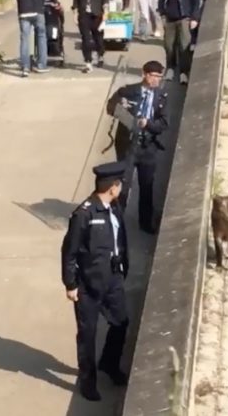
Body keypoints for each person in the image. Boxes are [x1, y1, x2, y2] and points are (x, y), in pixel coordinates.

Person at [61, 161, 131, 401]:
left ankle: (109, 364)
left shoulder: (114, 207)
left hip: (113, 278)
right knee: (87, 334)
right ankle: (88, 381)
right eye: (119, 185)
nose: (120, 189)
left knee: (121, 322)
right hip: (88, 285)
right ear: (112, 187)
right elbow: (69, 252)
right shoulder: (84, 214)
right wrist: (70, 284)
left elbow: (120, 239)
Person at [106, 61, 169, 234]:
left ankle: (146, 222)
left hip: (148, 146)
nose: (156, 80)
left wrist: (148, 124)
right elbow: (111, 107)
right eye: (154, 76)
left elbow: (163, 123)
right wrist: (124, 111)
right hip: (128, 144)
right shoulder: (128, 91)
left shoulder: (161, 96)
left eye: (159, 77)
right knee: (123, 184)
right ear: (145, 74)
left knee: (147, 185)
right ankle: (116, 222)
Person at [13, 0, 60, 77]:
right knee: (41, 36)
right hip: (38, 10)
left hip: (23, 12)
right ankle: (41, 65)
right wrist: (56, 1)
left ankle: (25, 67)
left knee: (24, 39)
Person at [158, 0, 204, 85]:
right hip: (170, 18)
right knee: (169, 45)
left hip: (184, 17)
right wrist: (162, 12)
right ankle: (171, 68)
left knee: (184, 46)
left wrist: (195, 17)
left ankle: (184, 72)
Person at [72, 0, 109, 73]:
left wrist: (106, 11)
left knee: (98, 37)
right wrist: (75, 13)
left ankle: (100, 54)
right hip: (84, 14)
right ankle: (88, 62)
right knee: (86, 39)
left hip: (97, 13)